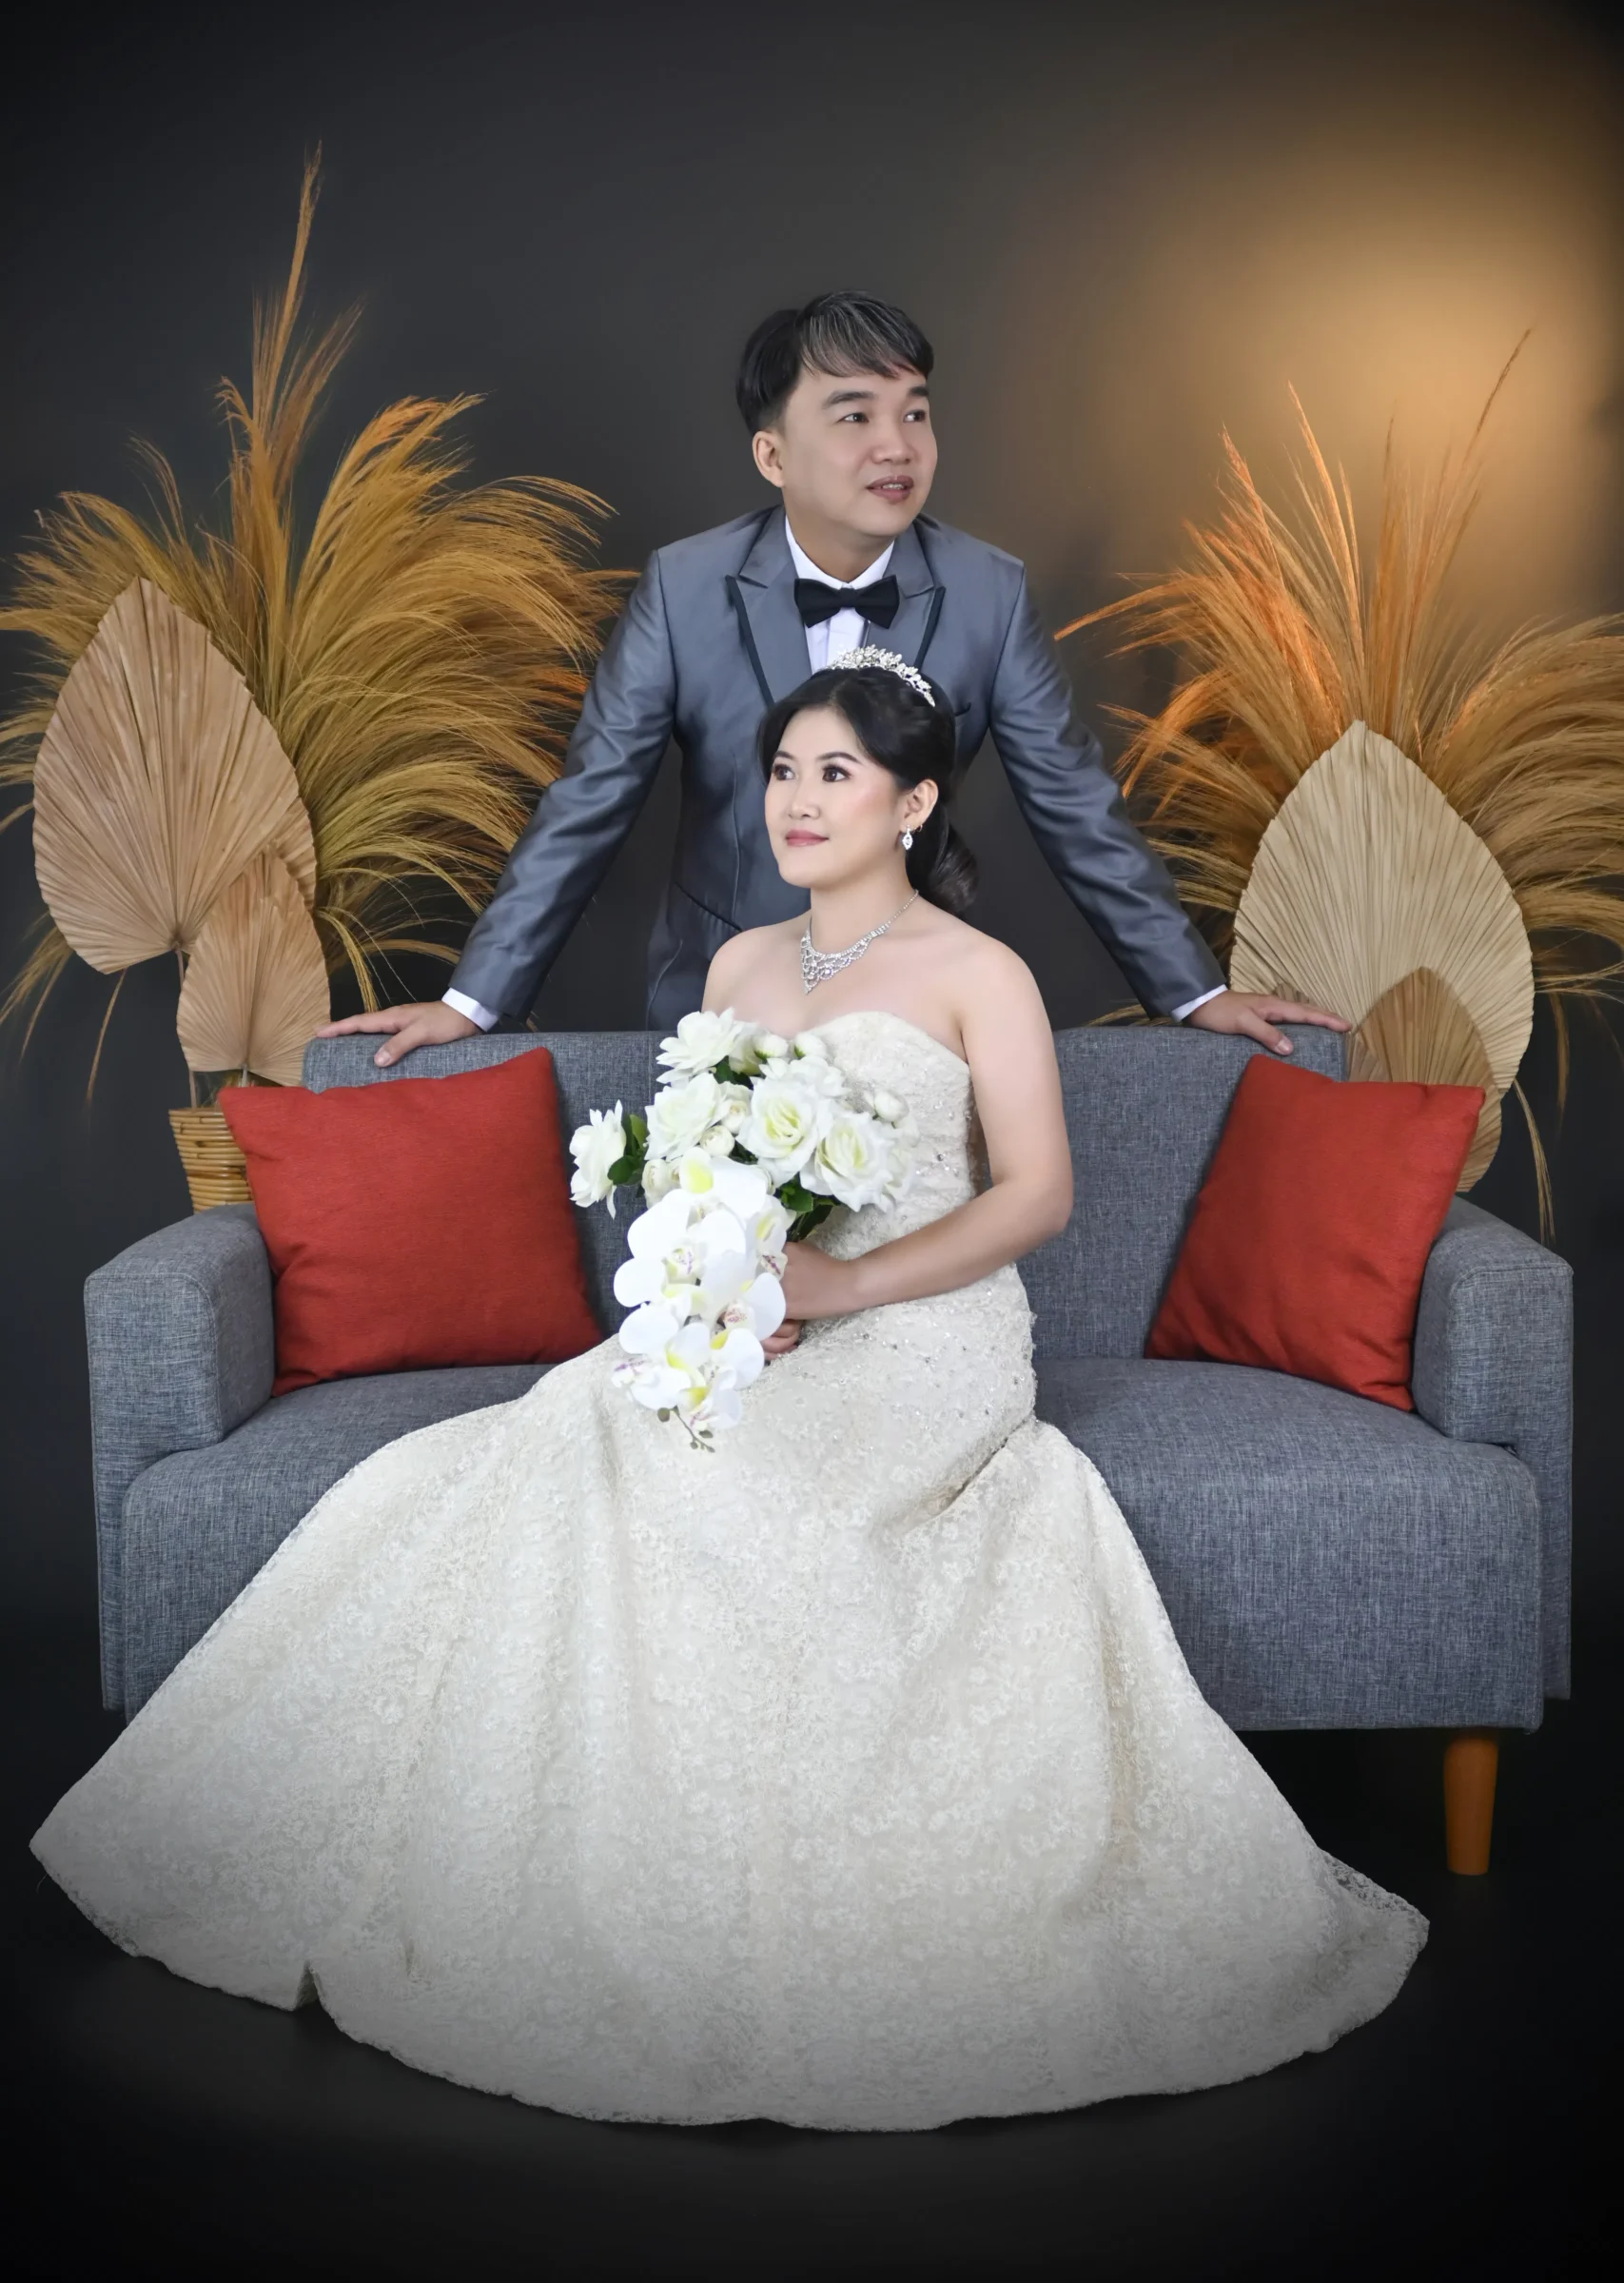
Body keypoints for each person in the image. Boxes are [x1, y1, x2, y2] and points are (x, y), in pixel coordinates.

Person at [32, 653, 1422, 2132]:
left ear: (912, 803)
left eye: (835, 773)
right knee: (547, 1438)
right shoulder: (738, 967)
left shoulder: (978, 974)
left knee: (737, 1482)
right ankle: (559, 1859)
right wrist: (728, 1288)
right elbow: (706, 1177)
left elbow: (1035, 1197)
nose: (797, 801)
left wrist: (836, 1290)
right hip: (759, 1318)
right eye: (781, 773)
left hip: (924, 1334)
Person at [322, 292, 1342, 1062]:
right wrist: (472, 1004)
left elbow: (1076, 804)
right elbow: (589, 803)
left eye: (916, 413)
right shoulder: (684, 589)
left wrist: (1195, 995)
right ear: (773, 455)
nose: (897, 446)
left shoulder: (988, 592)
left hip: (915, 1013)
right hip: (719, 1009)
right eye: (854, 416)